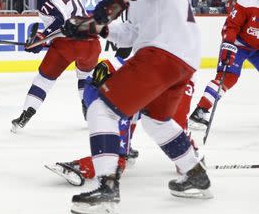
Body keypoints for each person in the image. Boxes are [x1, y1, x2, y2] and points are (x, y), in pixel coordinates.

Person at [62, 0, 211, 214]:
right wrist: (97, 28)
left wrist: (105, 9)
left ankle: (106, 189)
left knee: (101, 110)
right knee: (156, 120)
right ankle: (195, 174)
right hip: (182, 58)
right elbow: (131, 32)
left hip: (163, 53)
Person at [46, 56, 198, 186]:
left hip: (168, 80)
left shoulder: (177, 80)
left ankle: (97, 163)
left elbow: (176, 124)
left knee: (120, 153)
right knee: (126, 114)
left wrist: (187, 156)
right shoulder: (124, 73)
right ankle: (124, 151)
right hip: (137, 86)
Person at [11, 0, 101, 132]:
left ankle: (26, 114)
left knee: (44, 79)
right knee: (85, 76)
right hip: (91, 43)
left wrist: (40, 38)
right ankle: (88, 110)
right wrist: (42, 41)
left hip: (68, 44)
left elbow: (60, 21)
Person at [189, 0, 259, 129]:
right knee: (227, 77)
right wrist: (228, 46)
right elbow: (231, 26)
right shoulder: (247, 1)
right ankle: (199, 112)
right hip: (238, 44)